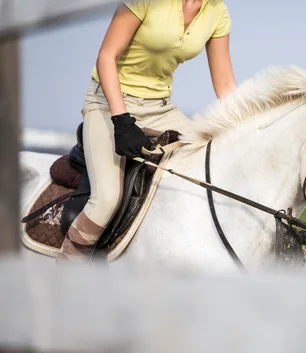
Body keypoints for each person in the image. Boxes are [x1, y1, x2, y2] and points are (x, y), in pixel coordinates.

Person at [56, 0, 237, 263]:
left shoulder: (217, 11)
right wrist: (121, 120)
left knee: (208, 164)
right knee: (107, 198)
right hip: (109, 102)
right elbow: (107, 56)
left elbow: (225, 85)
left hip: (162, 109)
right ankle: (67, 269)